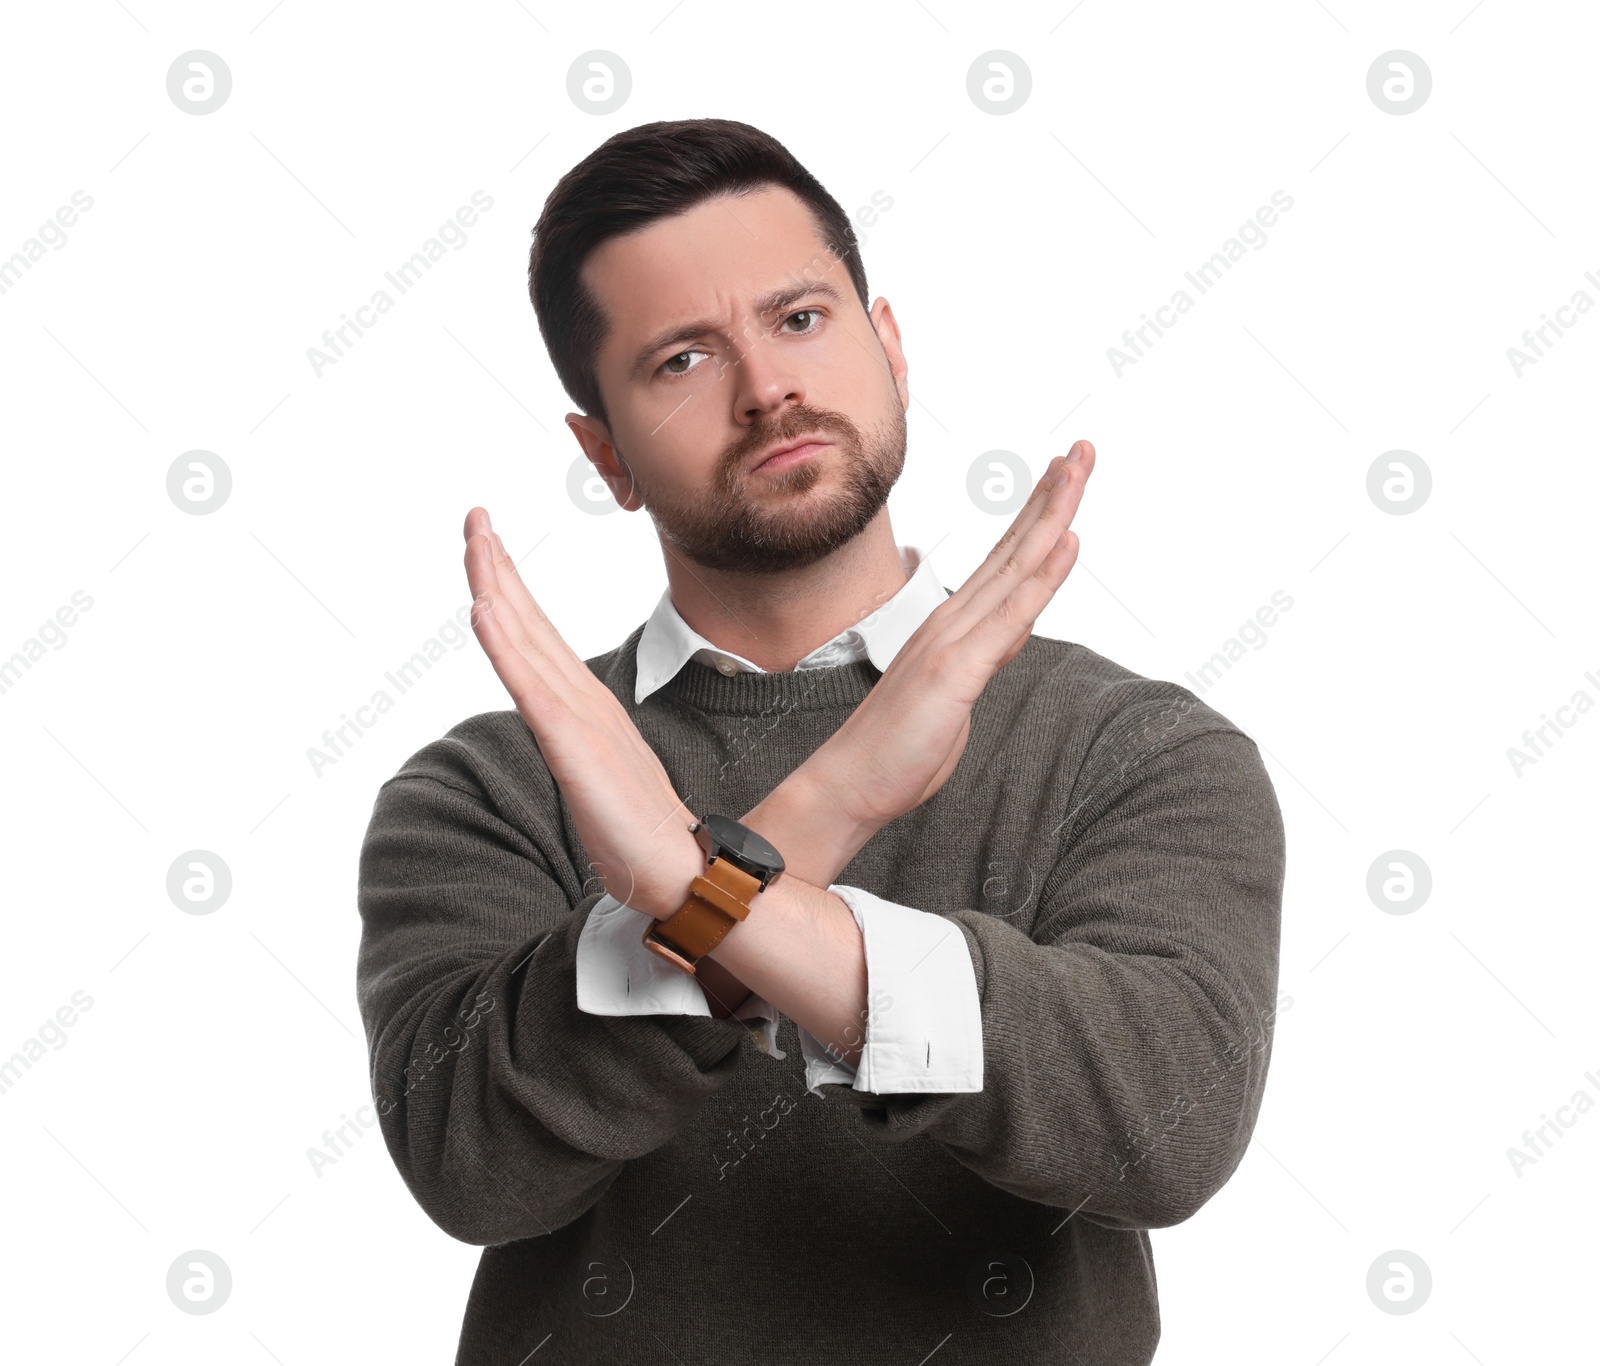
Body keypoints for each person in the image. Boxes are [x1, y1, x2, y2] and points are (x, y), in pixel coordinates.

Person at [356, 117, 1286, 1366]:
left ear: (887, 346)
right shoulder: (489, 785)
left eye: (800, 320)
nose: (767, 387)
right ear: (605, 456)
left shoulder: (1133, 748)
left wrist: (688, 890)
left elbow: (1163, 1128)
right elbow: (476, 1168)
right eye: (682, 358)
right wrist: (833, 802)